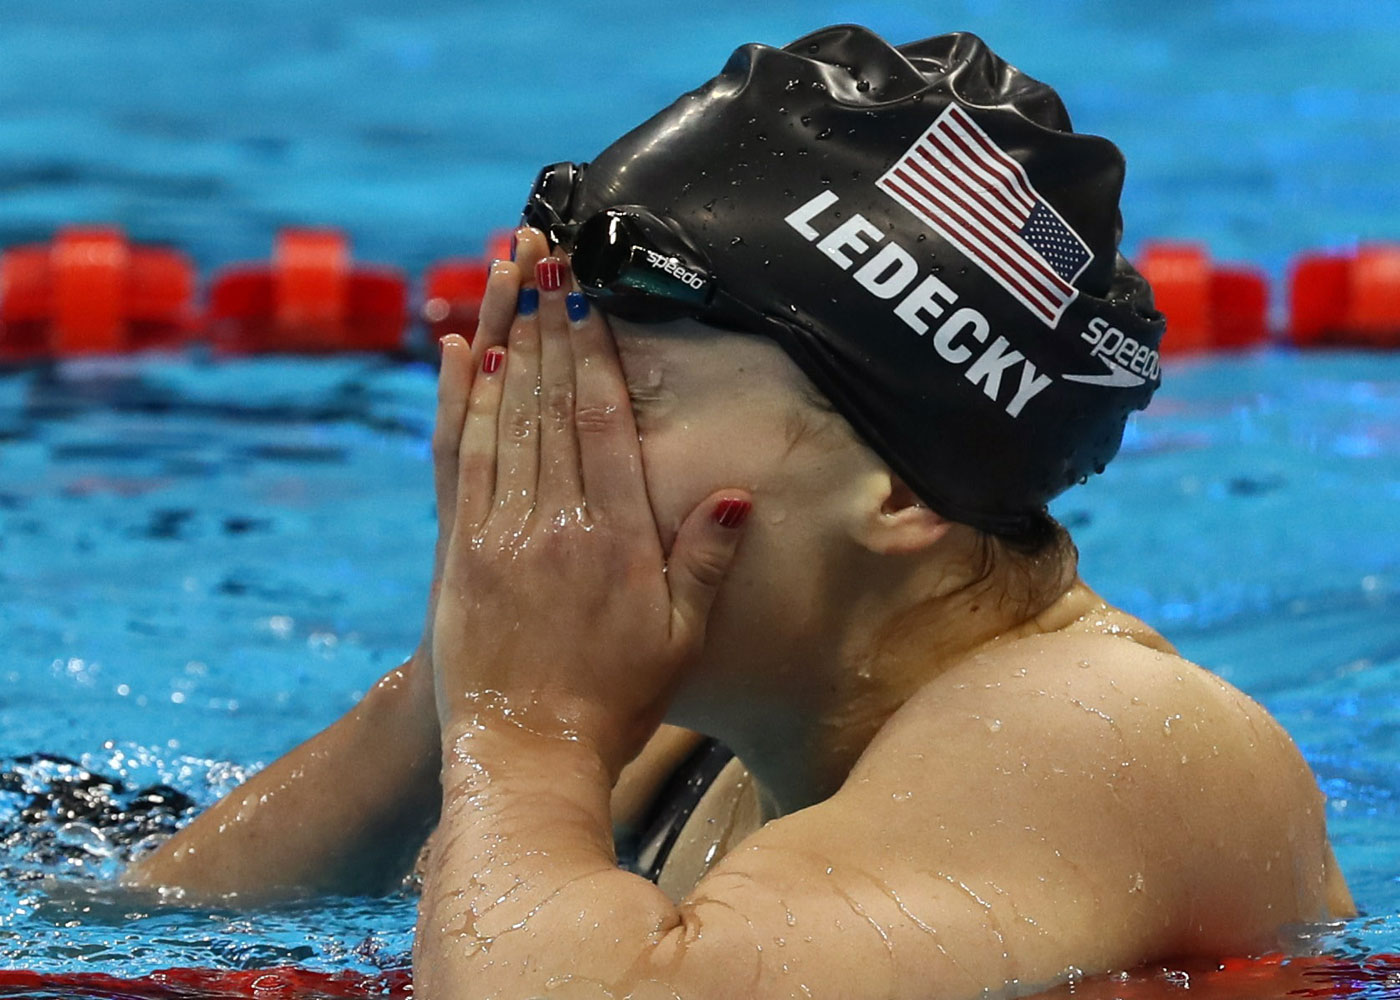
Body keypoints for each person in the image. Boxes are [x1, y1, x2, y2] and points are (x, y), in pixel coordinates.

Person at [123, 25, 1355, 998]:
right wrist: (468, 656)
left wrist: (529, 726)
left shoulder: (1102, 732)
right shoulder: (717, 724)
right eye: (546, 387)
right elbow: (150, 930)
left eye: (622, 403)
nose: (542, 449)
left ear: (904, 487)